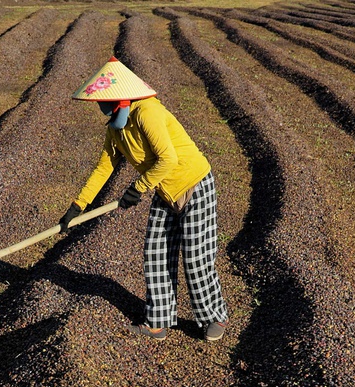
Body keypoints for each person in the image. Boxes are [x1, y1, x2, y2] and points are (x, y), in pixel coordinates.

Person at [60, 57, 230, 342]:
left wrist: (137, 188)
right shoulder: (115, 129)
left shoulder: (147, 112)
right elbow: (104, 167)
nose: (99, 106)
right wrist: (78, 206)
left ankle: (215, 316)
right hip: (164, 190)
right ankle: (158, 322)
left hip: (193, 183)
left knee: (196, 257)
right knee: (156, 254)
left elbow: (168, 159)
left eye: (103, 100)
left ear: (119, 99)